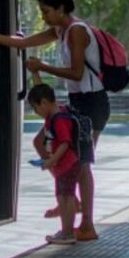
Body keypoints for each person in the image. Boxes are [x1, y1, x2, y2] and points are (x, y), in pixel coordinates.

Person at [0, 0, 108, 241]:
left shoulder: (76, 32)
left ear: (61, 9)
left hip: (91, 102)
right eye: (41, 11)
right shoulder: (60, 30)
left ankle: (87, 223)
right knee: (41, 142)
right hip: (78, 100)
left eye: (46, 11)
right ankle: (70, 200)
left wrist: (43, 66)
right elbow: (24, 42)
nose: (43, 16)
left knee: (82, 164)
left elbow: (77, 72)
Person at [27, 84, 81, 244]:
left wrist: (51, 160)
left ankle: (68, 232)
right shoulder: (54, 117)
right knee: (62, 196)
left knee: (66, 197)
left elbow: (65, 143)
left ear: (44, 103)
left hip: (68, 164)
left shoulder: (58, 119)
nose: (36, 113)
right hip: (63, 165)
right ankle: (66, 231)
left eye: (36, 108)